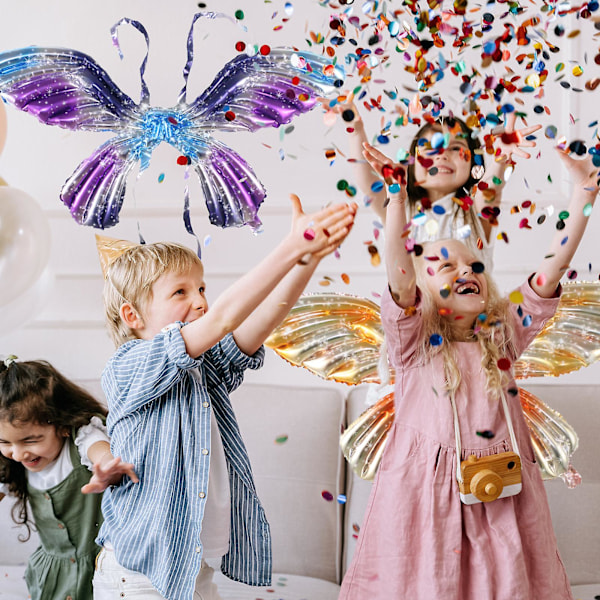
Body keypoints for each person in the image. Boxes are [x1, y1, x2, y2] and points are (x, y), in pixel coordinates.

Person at [338, 142, 598, 600]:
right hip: (424, 501)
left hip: (503, 497)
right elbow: (399, 276)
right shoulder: (414, 342)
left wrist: (582, 198)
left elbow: (550, 271)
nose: (466, 269)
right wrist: (397, 201)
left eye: (474, 264)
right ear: (423, 290)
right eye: (446, 264)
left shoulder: (502, 333)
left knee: (507, 582)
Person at [92, 195, 357, 600]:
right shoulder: (128, 367)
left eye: (201, 287)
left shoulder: (200, 370)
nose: (199, 300)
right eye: (180, 292)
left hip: (193, 569)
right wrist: (291, 246)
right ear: (133, 316)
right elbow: (222, 319)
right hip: (140, 576)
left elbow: (259, 321)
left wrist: (307, 260)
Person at [328, 96, 541, 268]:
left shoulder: (475, 211)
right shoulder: (401, 209)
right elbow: (367, 180)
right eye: (431, 148)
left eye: (456, 148)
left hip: (471, 319)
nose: (442, 155)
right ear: (411, 163)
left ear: (474, 165)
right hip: (413, 319)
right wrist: (354, 128)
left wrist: (501, 158)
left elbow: (491, 185)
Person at [0, 358, 138, 600]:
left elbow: (100, 451)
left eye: (31, 440)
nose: (19, 453)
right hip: (53, 575)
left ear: (62, 423)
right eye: (5, 442)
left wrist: (106, 467)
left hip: (99, 566)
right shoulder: (12, 465)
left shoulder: (82, 438)